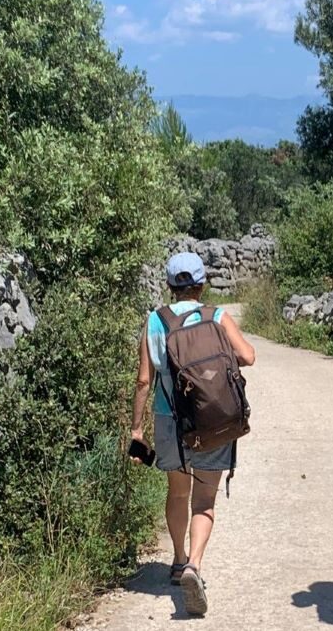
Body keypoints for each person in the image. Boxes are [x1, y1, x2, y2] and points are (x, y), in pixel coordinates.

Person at [129, 252, 255, 616]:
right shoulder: (216, 316)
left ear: (170, 285)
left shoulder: (156, 320)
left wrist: (137, 429)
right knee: (204, 501)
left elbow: (142, 380)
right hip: (215, 421)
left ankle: (178, 558)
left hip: (170, 421)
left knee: (177, 491)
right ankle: (194, 566)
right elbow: (248, 357)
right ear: (201, 285)